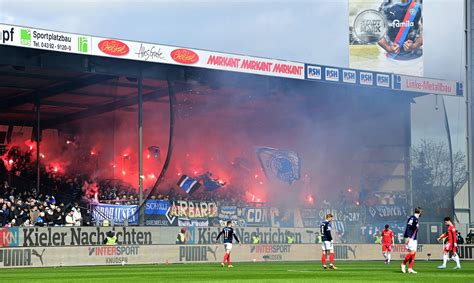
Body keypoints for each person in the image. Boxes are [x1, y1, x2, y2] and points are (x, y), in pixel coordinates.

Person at [401, 207, 422, 274]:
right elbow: (408, 228)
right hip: (410, 238)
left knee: (413, 253)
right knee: (412, 252)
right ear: (420, 212)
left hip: (414, 238)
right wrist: (408, 237)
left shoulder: (416, 219)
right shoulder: (412, 218)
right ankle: (403, 263)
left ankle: (410, 268)